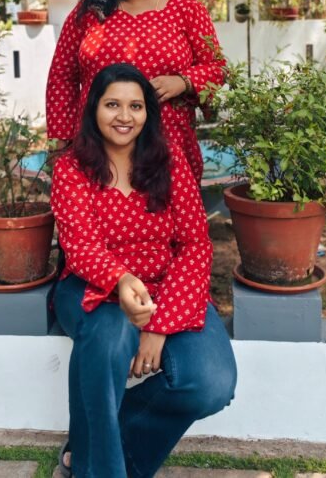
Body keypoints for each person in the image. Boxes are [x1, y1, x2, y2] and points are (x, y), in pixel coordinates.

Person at [51, 63, 237, 478]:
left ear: (148, 112)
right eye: (112, 104)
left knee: (210, 383)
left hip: (169, 287)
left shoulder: (169, 163)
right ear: (93, 108)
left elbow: (195, 244)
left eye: (135, 106)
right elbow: (80, 247)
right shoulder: (71, 168)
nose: (124, 116)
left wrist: (160, 325)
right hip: (92, 286)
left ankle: (90, 447)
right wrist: (121, 280)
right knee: (109, 337)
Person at [46, 0, 226, 184]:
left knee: (169, 207)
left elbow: (217, 68)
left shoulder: (187, 9)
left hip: (168, 142)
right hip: (98, 145)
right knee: (100, 208)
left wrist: (183, 82)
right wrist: (60, 140)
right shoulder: (90, 12)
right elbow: (62, 76)